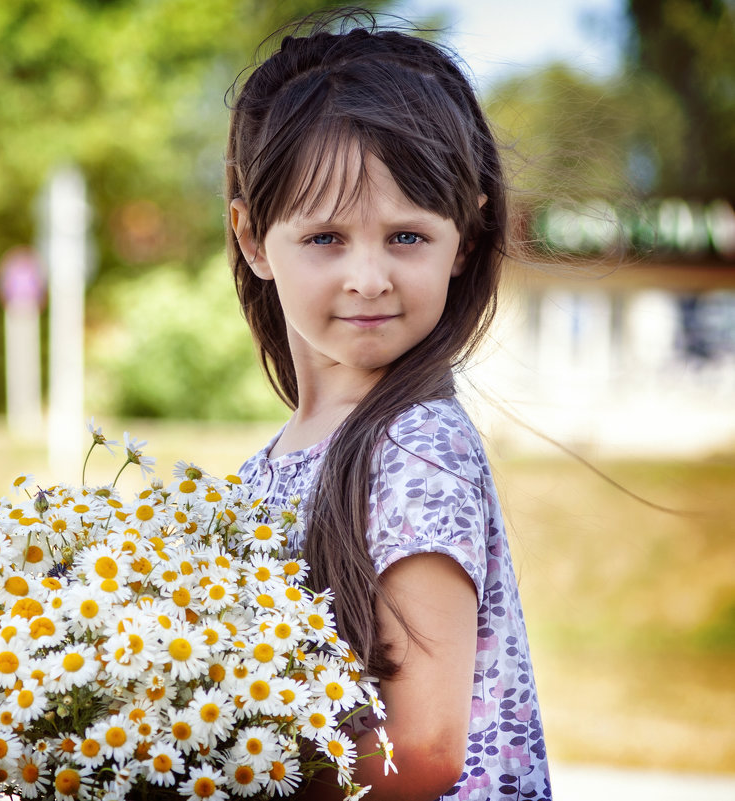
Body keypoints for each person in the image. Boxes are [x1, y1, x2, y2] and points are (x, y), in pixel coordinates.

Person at [226, 10, 550, 801]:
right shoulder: (265, 467)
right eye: (326, 238)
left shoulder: (414, 445)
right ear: (253, 238)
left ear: (464, 237)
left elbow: (427, 747)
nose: (369, 276)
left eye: (406, 236)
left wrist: (212, 783)